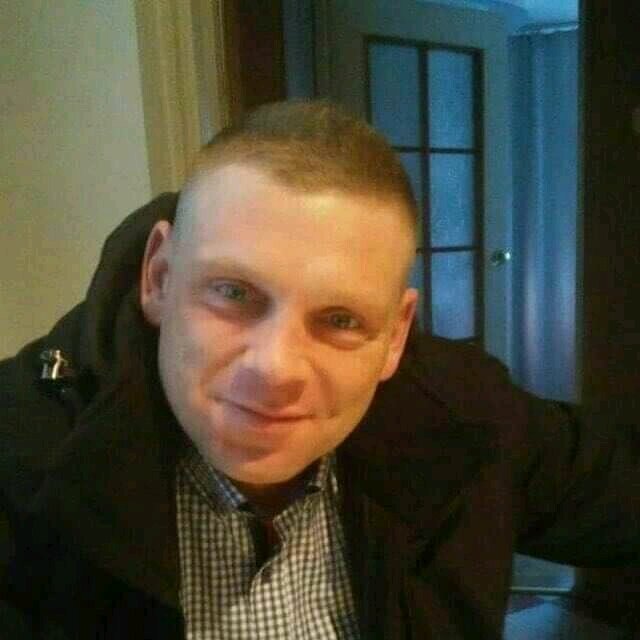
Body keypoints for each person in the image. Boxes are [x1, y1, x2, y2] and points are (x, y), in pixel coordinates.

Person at [0, 100, 638, 639]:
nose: (275, 369)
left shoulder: (466, 416)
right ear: (160, 277)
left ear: (395, 335)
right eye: (233, 293)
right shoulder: (21, 458)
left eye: (340, 320)